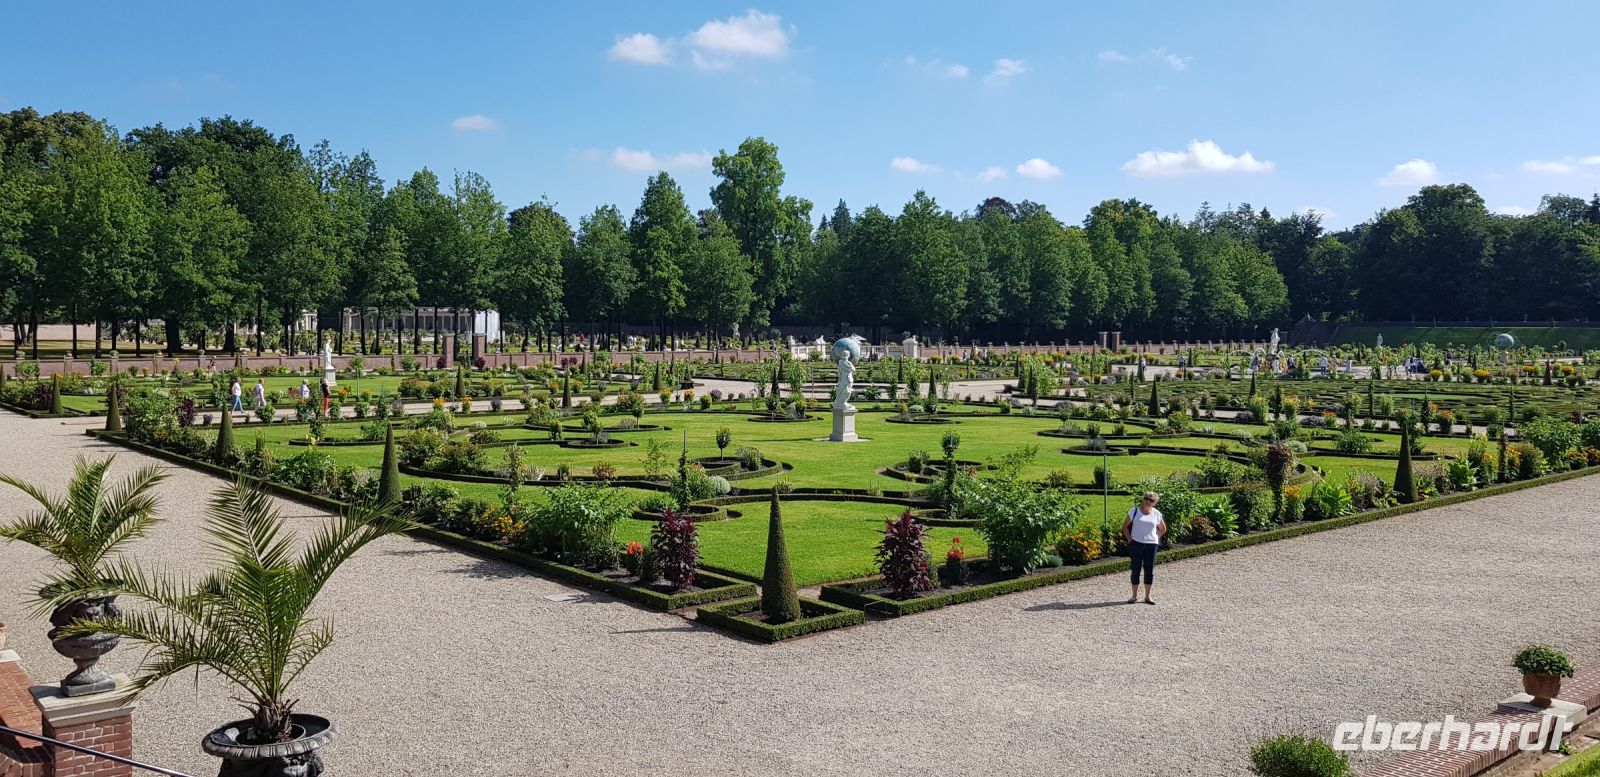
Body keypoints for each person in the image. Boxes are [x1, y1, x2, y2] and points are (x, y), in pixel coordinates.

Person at [1122, 491, 1167, 605]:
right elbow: (1124, 526)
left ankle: (1148, 596)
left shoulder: (1156, 514)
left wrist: (1155, 537)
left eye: (1151, 500)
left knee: (1149, 570)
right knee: (1135, 569)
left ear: (1154, 503)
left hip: (1151, 545)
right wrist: (1129, 539)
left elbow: (1163, 529)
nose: (1147, 501)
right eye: (1146, 498)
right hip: (1136, 543)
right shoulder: (1134, 511)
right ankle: (1134, 595)